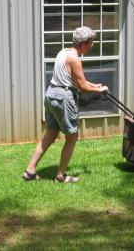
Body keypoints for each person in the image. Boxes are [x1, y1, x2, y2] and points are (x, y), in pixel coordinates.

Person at [22, 26, 108, 183]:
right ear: (84, 43)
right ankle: (61, 176)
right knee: (72, 137)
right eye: (91, 42)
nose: (93, 45)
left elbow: (76, 80)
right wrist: (98, 91)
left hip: (51, 94)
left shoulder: (64, 52)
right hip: (63, 98)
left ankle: (30, 171)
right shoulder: (75, 59)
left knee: (50, 134)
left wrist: (95, 86)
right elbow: (81, 86)